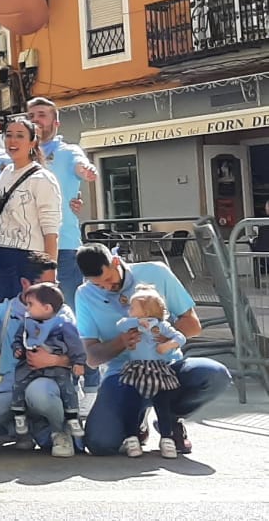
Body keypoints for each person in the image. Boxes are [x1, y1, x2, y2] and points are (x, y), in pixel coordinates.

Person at [74, 243, 231, 457]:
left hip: (167, 367)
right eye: (98, 286)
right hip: (123, 375)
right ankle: (136, 421)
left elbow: (193, 325)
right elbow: (92, 358)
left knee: (215, 375)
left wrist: (162, 336)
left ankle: (170, 417)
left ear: (116, 262)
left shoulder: (155, 272)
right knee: (100, 443)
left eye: (108, 280)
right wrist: (122, 342)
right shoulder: (84, 294)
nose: (106, 288)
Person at [0, 252, 76, 454]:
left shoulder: (63, 312)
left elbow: (79, 355)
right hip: (12, 384)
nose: (55, 291)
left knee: (39, 395)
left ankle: (58, 431)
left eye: (56, 284)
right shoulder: (6, 309)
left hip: (50, 381)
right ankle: (14, 424)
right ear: (26, 284)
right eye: (48, 286)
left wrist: (53, 360)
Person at [28, 97, 98, 307]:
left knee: (66, 310)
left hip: (63, 247)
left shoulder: (68, 151)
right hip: (27, 246)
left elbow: (80, 164)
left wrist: (86, 171)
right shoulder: (20, 154)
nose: (36, 120)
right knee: (31, 311)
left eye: (42, 115)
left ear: (56, 123)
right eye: (31, 116)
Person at [0, 117, 62, 301]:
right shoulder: (5, 173)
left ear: (32, 142)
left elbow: (51, 231)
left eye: (20, 136)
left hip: (29, 259)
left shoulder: (43, 178)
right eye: (9, 135)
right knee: (4, 317)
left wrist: (49, 271)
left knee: (29, 315)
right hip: (2, 255)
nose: (13, 141)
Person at [8, 281, 85, 448]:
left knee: (67, 388)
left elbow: (75, 345)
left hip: (57, 369)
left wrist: (78, 361)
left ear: (47, 308)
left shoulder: (63, 325)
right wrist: (18, 349)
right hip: (29, 366)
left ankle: (72, 418)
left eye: (30, 304)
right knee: (18, 384)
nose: (27, 308)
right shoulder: (27, 323)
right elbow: (18, 339)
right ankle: (19, 415)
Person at [115, 285, 188, 458]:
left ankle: (166, 437)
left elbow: (180, 337)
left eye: (133, 308)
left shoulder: (161, 326)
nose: (130, 311)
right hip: (137, 368)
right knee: (131, 402)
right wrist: (136, 322)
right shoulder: (132, 325)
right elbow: (120, 325)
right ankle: (131, 437)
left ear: (146, 310)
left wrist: (167, 345)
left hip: (158, 369)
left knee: (162, 403)